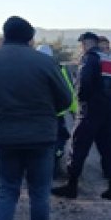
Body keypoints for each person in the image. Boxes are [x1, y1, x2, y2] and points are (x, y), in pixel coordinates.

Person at [0, 16, 73, 220]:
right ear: (30, 38)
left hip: (4, 136)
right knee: (39, 192)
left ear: (4, 35)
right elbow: (65, 99)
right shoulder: (45, 62)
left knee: (6, 191)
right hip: (41, 136)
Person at [52, 32, 111, 201]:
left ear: (85, 44)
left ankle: (71, 186)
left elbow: (83, 83)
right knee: (108, 150)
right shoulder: (109, 60)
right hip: (110, 111)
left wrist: (82, 101)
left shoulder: (89, 59)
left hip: (90, 110)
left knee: (78, 147)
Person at [37, 44, 78, 176]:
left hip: (35, 115)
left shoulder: (28, 69)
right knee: (59, 140)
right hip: (55, 114)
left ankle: (36, 168)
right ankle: (54, 166)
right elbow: (69, 91)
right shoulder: (60, 69)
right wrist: (74, 111)